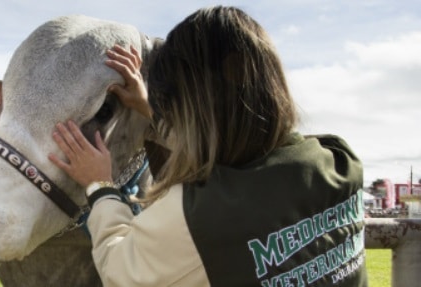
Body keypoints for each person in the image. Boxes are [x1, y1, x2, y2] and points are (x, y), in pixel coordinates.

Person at [49, 6, 366, 287]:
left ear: (189, 110)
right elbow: (238, 151)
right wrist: (148, 108)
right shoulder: (339, 161)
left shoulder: (196, 217)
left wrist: (101, 187)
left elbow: (120, 271)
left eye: (172, 107)